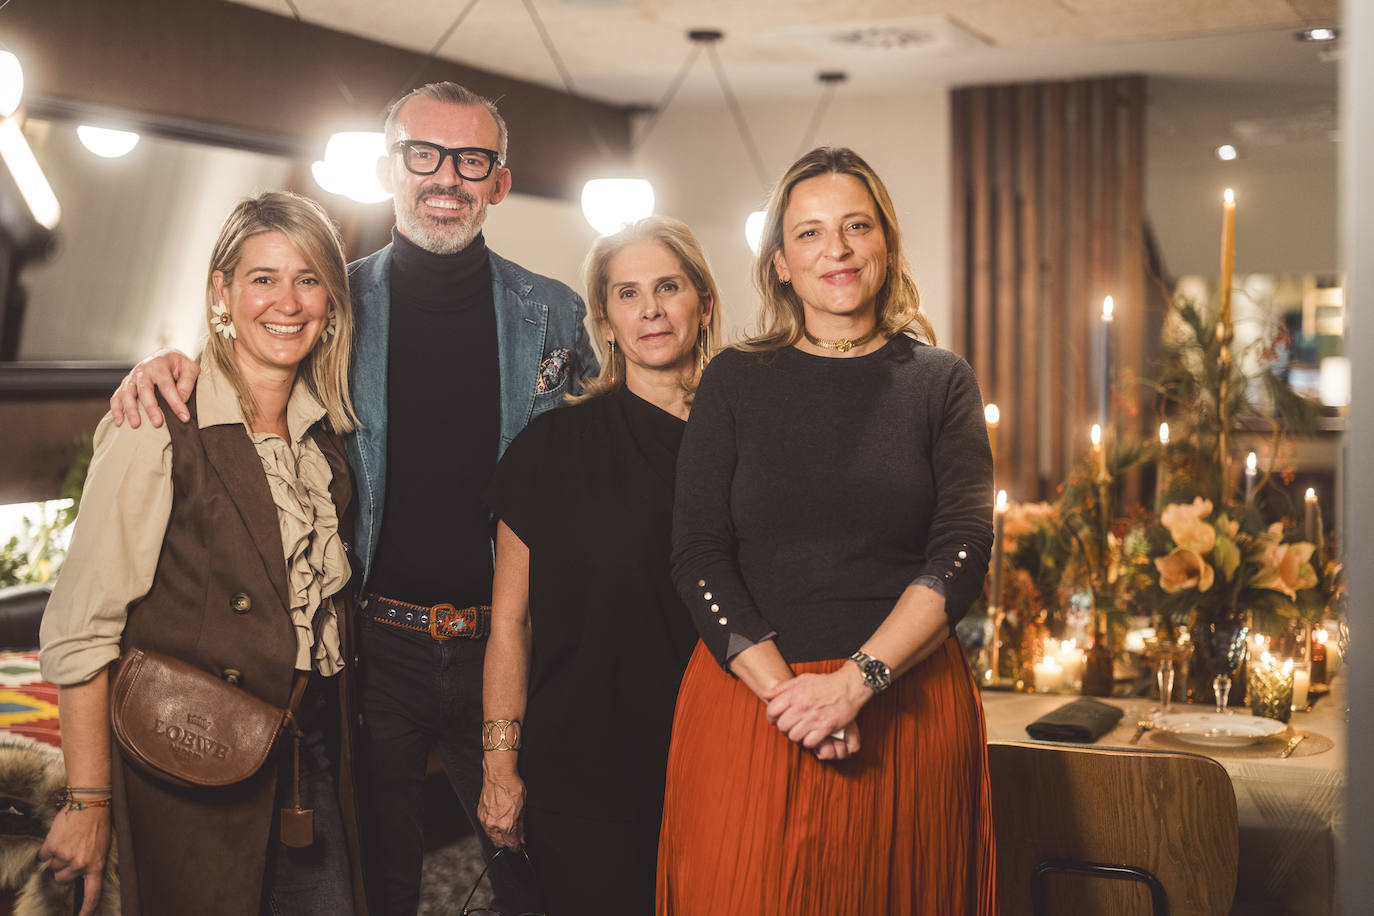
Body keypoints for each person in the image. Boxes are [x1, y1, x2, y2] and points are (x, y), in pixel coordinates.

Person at [107, 82, 596, 915]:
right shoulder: (333, 304)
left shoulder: (552, 312)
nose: (447, 176)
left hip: (509, 647)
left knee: (538, 869)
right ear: (387, 168)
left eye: (471, 159)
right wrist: (169, 364)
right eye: (424, 154)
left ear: (499, 183)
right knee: (375, 881)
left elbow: (602, 447)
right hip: (372, 651)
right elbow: (250, 361)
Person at [657, 147, 998, 915]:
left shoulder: (941, 381)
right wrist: (797, 702)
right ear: (780, 262)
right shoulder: (735, 379)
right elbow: (697, 555)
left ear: (886, 243)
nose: (835, 250)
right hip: (752, 702)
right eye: (809, 234)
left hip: (902, 703)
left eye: (855, 226)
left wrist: (855, 685)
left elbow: (963, 551)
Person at [37, 192, 366, 916]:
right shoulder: (156, 418)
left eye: (308, 279)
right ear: (222, 290)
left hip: (304, 758)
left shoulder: (327, 441)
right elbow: (83, 627)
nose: (287, 301)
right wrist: (88, 801)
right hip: (185, 762)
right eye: (263, 278)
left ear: (332, 301)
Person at [476, 217, 717, 914]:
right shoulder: (552, 448)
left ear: (702, 303)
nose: (650, 310)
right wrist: (499, 762)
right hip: (583, 764)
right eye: (627, 293)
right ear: (604, 320)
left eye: (668, 287)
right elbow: (511, 622)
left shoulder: (743, 441)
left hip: (719, 751)